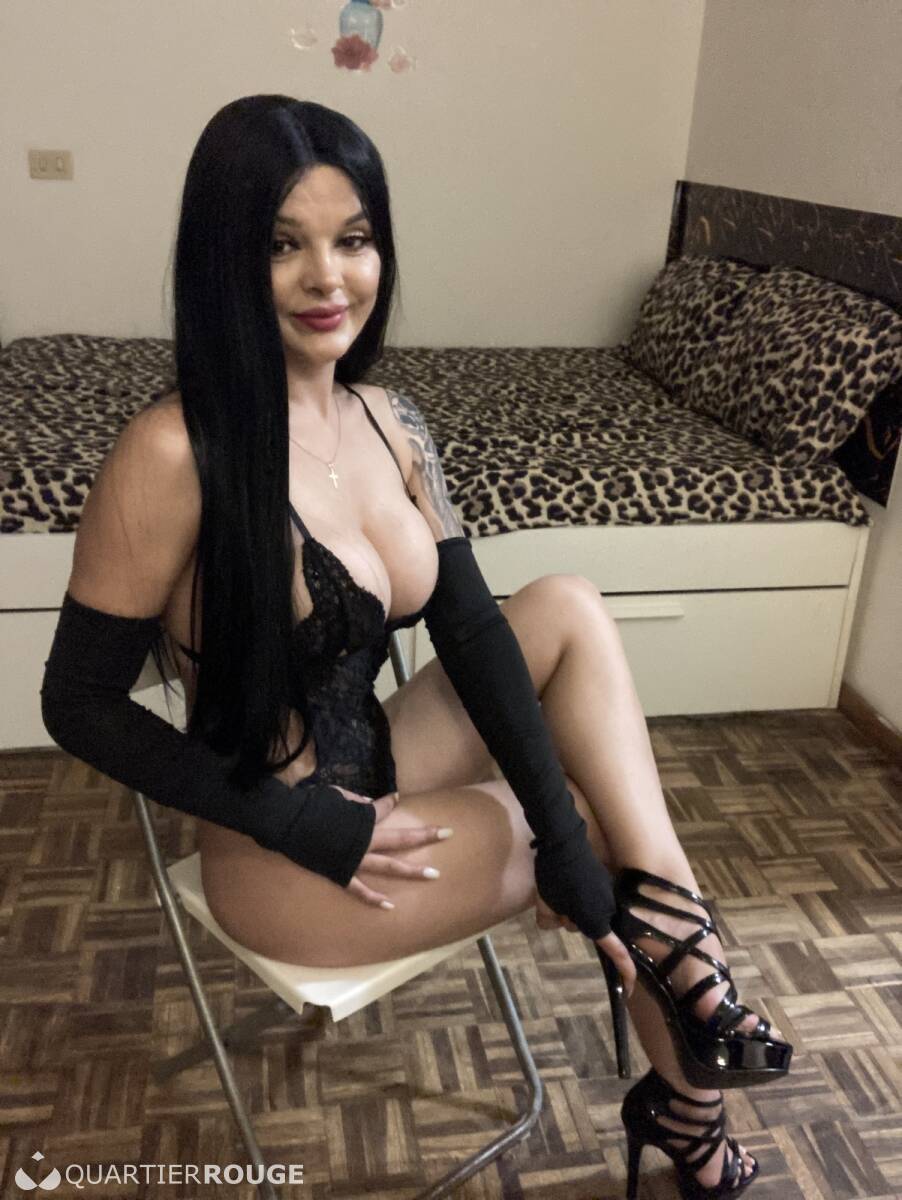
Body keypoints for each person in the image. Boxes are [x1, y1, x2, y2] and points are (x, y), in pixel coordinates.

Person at [41, 95, 791, 1198]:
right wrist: (302, 822)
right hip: (284, 847)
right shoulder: (169, 454)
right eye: (283, 245)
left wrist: (549, 830)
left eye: (352, 240)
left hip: (384, 761)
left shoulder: (391, 421)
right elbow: (77, 703)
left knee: (566, 607)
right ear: (223, 260)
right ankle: (693, 1101)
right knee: (604, 837)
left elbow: (475, 631)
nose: (327, 279)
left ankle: (682, 1025)